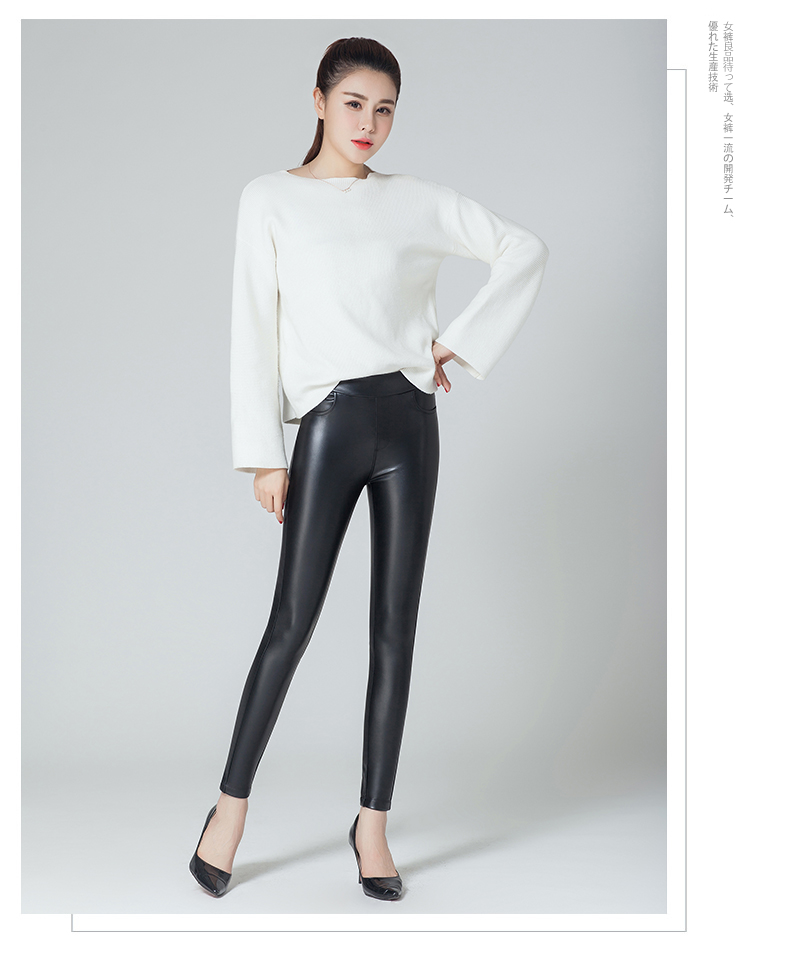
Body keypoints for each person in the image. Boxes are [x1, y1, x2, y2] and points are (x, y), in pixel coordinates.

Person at [189, 36, 549, 902]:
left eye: (385, 109)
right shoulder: (269, 199)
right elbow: (252, 324)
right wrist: (263, 455)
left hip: (410, 422)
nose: (369, 124)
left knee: (396, 628)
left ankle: (373, 825)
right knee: (292, 621)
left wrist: (457, 342)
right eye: (354, 103)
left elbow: (523, 248)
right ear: (318, 101)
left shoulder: (415, 200)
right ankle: (229, 810)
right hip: (331, 424)